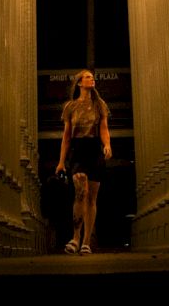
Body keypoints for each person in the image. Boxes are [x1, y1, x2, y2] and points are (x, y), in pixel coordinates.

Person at [56, 68, 111, 255]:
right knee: (81, 192)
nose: (91, 79)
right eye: (87, 77)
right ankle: (75, 237)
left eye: (92, 77)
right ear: (79, 83)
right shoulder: (70, 107)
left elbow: (104, 128)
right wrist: (61, 161)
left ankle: (87, 241)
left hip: (95, 149)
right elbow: (66, 136)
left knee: (92, 198)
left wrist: (107, 145)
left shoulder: (99, 104)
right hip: (78, 150)